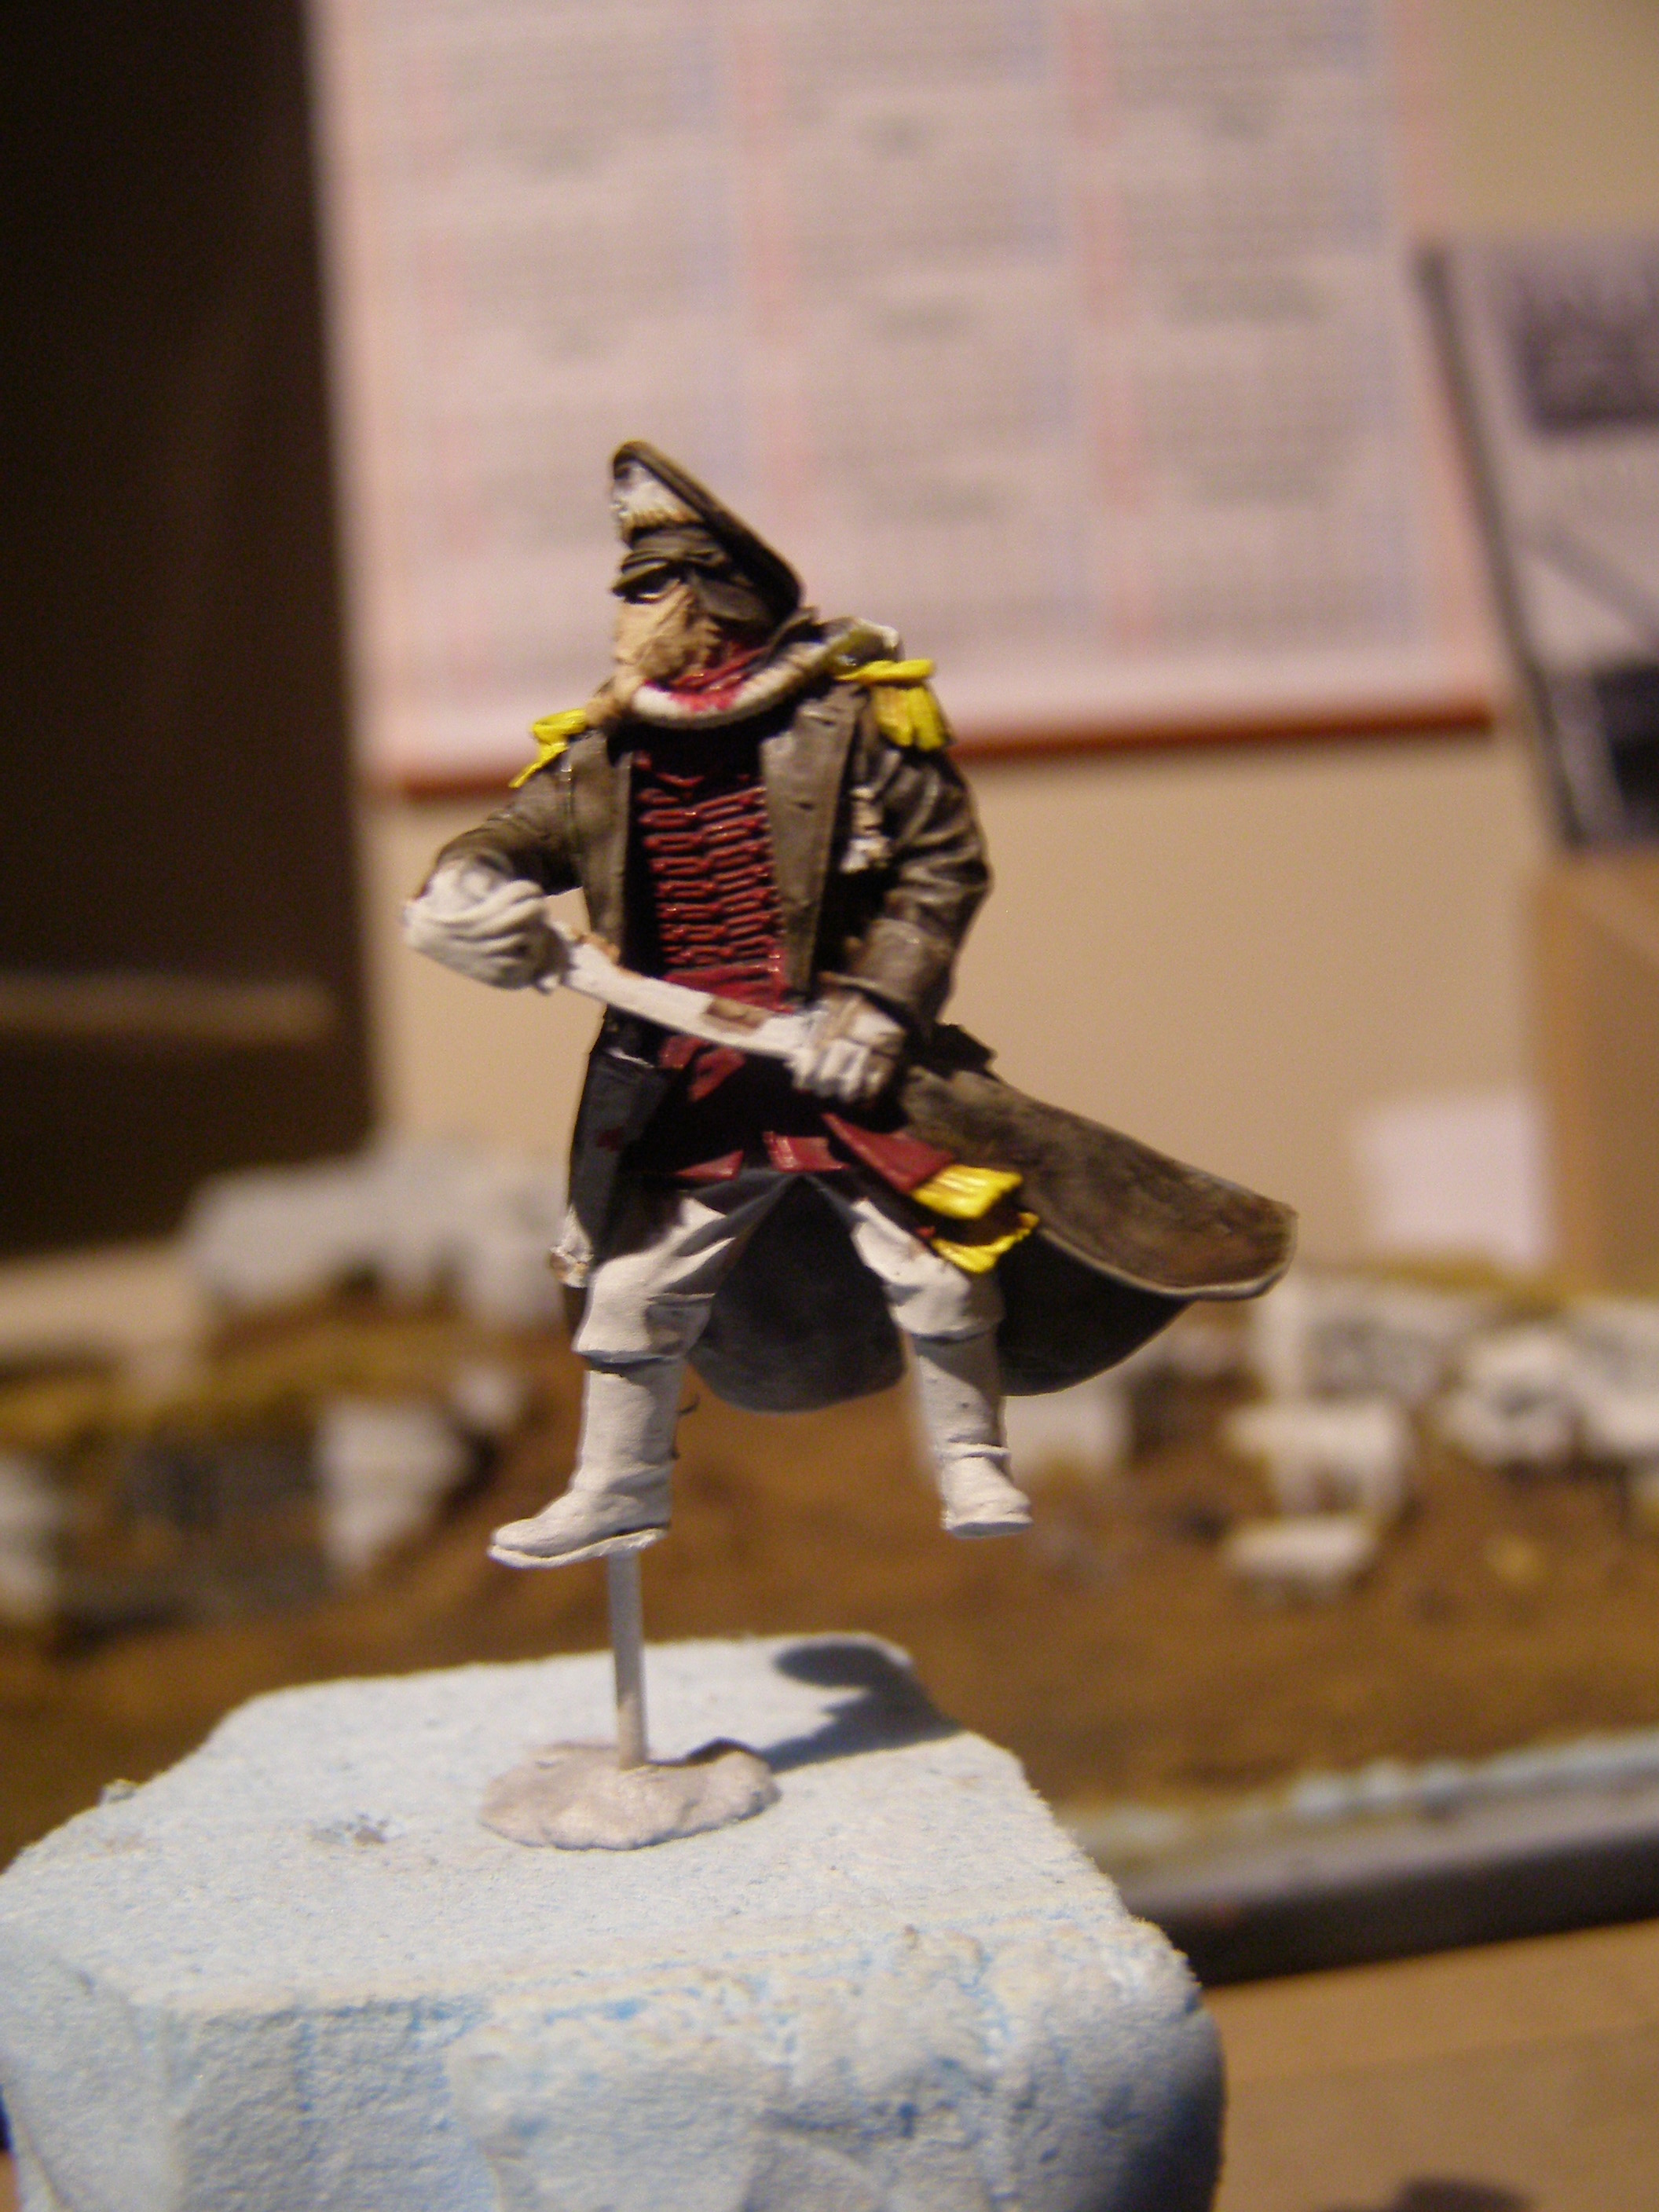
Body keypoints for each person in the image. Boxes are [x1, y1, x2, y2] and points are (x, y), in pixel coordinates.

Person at [405, 441, 1295, 1569]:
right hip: (687, 1081)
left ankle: (969, 1455)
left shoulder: (856, 718)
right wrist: (464, 890)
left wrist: (878, 1011)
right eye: (628, 589)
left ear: (717, 598)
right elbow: (505, 839)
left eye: (649, 588)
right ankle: (618, 1487)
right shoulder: (604, 751)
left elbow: (939, 872)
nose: (626, 615)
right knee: (631, 1288)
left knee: (936, 1257)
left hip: (845, 1063)